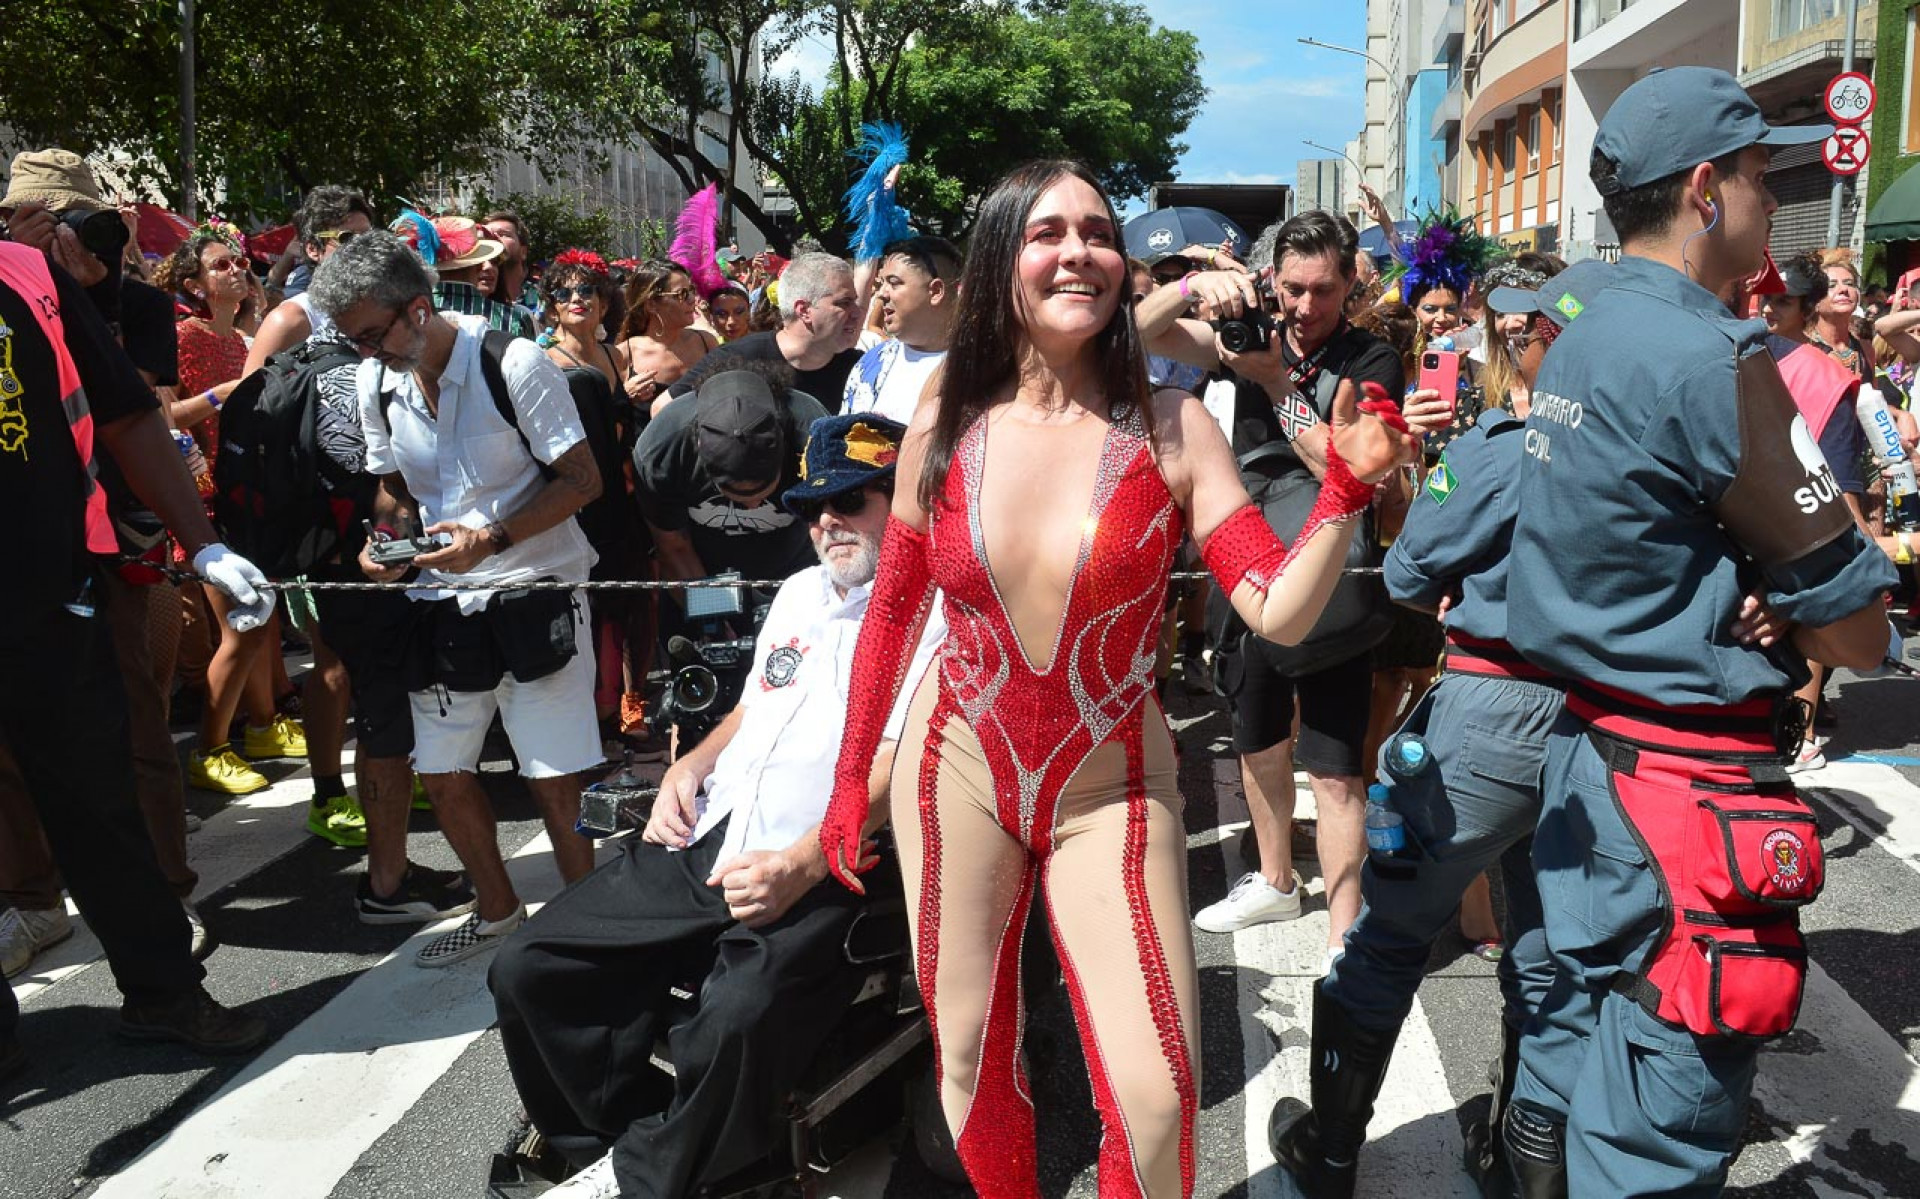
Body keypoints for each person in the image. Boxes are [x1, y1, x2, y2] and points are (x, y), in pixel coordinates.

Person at [813, 159, 1418, 1199]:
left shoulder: (1175, 430)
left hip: (1113, 790)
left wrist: (1343, 495)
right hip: (955, 773)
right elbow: (892, 618)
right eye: (1049, 232)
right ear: (1005, 258)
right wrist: (845, 779)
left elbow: (1273, 605)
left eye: (1098, 231)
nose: (1078, 251)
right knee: (968, 1055)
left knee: (1154, 1093)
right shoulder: (942, 422)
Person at [1502, 68, 1896, 1196]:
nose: (1776, 201)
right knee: (1659, 1131)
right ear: (1706, 189)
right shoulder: (1715, 358)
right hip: (1684, 786)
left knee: (1571, 1050)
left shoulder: (1576, 317)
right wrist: (1786, 584)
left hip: (1583, 756)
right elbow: (1863, 634)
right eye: (1763, 176)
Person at [489, 413, 939, 1199]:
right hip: (716, 828)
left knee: (734, 1012)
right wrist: (690, 767)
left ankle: (644, 1180)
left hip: (833, 855)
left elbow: (907, 758)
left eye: (851, 499)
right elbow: (752, 707)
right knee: (529, 965)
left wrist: (801, 865)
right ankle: (617, 1140)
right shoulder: (800, 592)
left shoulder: (935, 610)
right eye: (811, 506)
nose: (827, 521)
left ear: (905, 498)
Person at [1269, 258, 1597, 1199]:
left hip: (1493, 713)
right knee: (1548, 944)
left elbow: (1412, 572)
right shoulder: (1638, 448)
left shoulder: (1504, 442)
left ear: (1531, 342)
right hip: (1595, 720)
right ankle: (1530, 1157)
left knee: (1389, 933)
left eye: (1510, 331)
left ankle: (1330, 1151)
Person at [0, 238, 273, 1060]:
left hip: (49, 598)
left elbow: (125, 411)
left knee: (101, 803)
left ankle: (163, 991)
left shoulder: (28, 271)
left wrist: (206, 544)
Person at [309, 230, 606, 967]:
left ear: (418, 308)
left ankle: (588, 934)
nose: (366, 353)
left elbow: (582, 481)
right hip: (442, 604)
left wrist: (493, 538)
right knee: (441, 770)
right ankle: (498, 909)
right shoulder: (373, 380)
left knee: (553, 778)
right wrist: (386, 539)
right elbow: (395, 489)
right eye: (354, 342)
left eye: (373, 336)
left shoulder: (514, 361)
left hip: (537, 594)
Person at [1139, 213, 1417, 954]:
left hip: (1330, 575)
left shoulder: (1373, 360)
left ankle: (1344, 929)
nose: (1304, 307)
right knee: (1256, 739)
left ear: (1350, 283)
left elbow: (1347, 469)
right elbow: (1137, 333)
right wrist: (1198, 284)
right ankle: (1273, 880)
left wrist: (1272, 381)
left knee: (1333, 765)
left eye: (1322, 289)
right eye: (1290, 288)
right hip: (1244, 561)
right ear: (1271, 281)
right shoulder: (1249, 335)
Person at [0, 148, 208, 970]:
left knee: (136, 720)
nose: (51, 234)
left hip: (122, 538)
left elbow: (141, 409)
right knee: (10, 747)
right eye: (28, 218)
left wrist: (85, 293)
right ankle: (32, 897)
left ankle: (167, 892)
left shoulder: (137, 301)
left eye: (67, 217)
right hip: (28, 548)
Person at [155, 227, 313, 799]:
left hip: (243, 490)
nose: (237, 270)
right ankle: (210, 749)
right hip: (200, 498)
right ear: (195, 284)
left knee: (262, 616)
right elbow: (166, 418)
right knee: (242, 626)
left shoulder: (245, 338)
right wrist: (229, 389)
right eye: (221, 265)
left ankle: (266, 726)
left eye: (240, 261)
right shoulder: (180, 337)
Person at [1760, 251, 1879, 774]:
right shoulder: (1746, 355)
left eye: (1781, 301)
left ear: (1805, 307)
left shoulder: (1829, 372)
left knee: (1808, 621)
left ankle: (1800, 731)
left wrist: (1859, 538)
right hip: (1752, 511)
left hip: (1806, 511)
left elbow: (1840, 470)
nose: (1766, 309)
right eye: (1763, 298)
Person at [541, 250, 656, 753]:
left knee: (631, 602)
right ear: (549, 307)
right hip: (576, 501)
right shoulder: (545, 362)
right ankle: (592, 712)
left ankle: (628, 703)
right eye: (563, 293)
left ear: (606, 300)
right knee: (586, 608)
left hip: (623, 497)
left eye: (586, 290)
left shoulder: (620, 356)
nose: (576, 300)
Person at [632, 365, 828, 590]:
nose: (753, 506)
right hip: (702, 575)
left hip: (800, 575)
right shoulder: (662, 450)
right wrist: (710, 613)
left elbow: (838, 528)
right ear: (699, 449)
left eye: (763, 491)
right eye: (736, 496)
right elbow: (673, 547)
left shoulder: (814, 438)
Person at [665, 253, 864, 412]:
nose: (856, 312)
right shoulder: (738, 358)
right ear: (804, 311)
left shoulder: (860, 368)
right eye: (844, 303)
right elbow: (663, 408)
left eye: (855, 302)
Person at [244, 184, 378, 369]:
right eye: (346, 238)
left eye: (368, 237)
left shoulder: (387, 307)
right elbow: (250, 394)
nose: (361, 247)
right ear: (313, 249)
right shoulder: (292, 319)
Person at [842, 235, 962, 423]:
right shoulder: (872, 362)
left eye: (894, 282)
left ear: (936, 291)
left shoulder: (983, 369)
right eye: (882, 283)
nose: (882, 293)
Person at [615, 259, 715, 416]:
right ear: (652, 304)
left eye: (691, 290)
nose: (692, 300)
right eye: (681, 294)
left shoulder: (706, 342)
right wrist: (625, 396)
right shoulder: (624, 355)